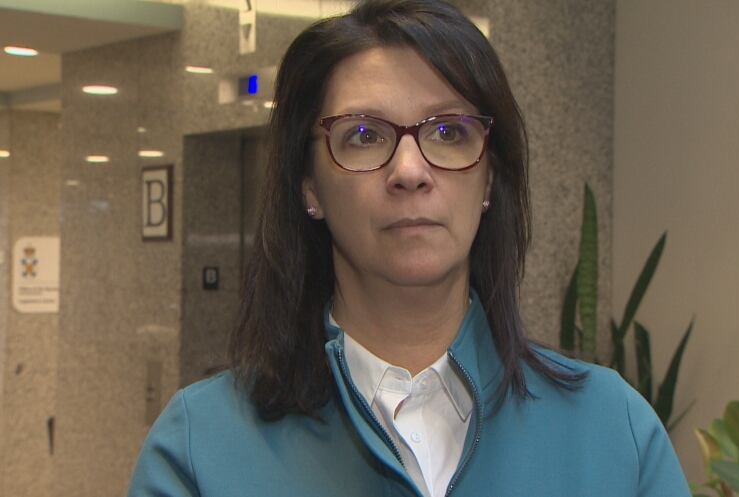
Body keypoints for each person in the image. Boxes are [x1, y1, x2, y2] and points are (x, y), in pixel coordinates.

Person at [127, 1, 690, 496]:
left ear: (490, 180)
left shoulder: (612, 430)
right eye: (364, 136)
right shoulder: (202, 447)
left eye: (449, 133)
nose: (410, 170)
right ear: (309, 187)